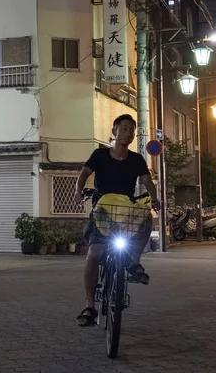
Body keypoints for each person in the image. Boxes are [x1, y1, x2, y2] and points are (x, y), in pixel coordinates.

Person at [74, 114, 160, 327]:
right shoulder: (100, 155)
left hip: (126, 211)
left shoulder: (137, 159)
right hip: (103, 210)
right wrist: (78, 191)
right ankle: (90, 305)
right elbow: (84, 174)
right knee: (94, 253)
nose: (128, 133)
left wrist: (155, 198)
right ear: (114, 131)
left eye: (131, 130)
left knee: (147, 216)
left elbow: (148, 182)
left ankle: (134, 261)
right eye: (123, 128)